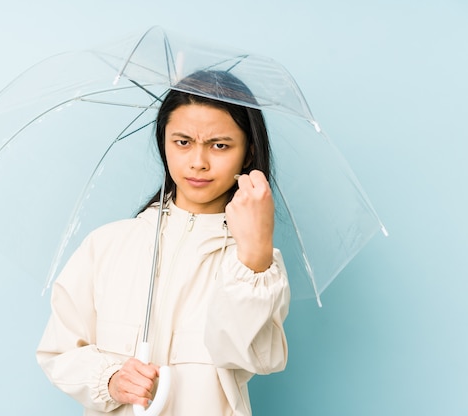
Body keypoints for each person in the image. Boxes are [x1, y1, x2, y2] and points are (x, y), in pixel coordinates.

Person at [36, 69, 290, 415]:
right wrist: (110, 378)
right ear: (164, 142)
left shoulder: (254, 263)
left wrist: (255, 252)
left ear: (247, 153)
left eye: (219, 145)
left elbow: (256, 356)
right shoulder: (108, 244)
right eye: (182, 142)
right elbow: (59, 351)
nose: (198, 162)